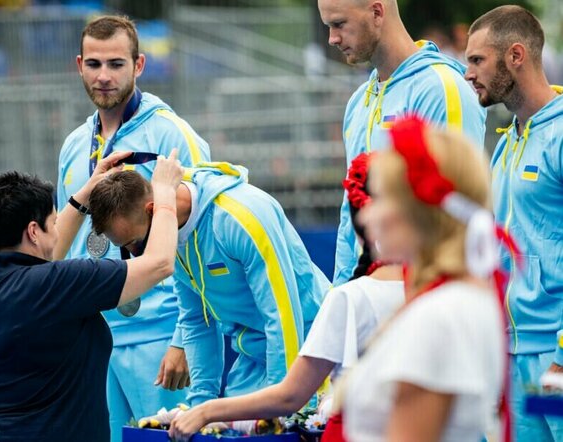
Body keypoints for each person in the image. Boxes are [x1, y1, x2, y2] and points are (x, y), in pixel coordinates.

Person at [166, 153, 404, 442]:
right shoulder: (443, 293)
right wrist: (202, 408)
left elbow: (290, 396)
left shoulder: (348, 300)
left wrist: (207, 411)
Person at [55, 15, 211, 441]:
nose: (104, 76)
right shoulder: (73, 145)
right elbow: (64, 245)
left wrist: (183, 339)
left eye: (116, 64)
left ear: (139, 65)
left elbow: (201, 236)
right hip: (95, 337)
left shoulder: (172, 134)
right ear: (79, 65)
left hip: (160, 332)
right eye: (94, 63)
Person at [0, 151, 184, 442]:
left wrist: (84, 194)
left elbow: (47, 254)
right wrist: (165, 193)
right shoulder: (57, 284)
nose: (57, 231)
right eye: (52, 224)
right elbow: (160, 263)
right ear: (33, 231)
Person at [88, 162, 330, 408]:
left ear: (154, 210)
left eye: (136, 244)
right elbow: (196, 318)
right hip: (254, 358)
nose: (137, 255)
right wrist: (199, 406)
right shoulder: (171, 232)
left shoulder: (239, 219)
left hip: (313, 352)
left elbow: (282, 316)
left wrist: (283, 406)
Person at [336, 116, 507, 441]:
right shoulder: (461, 297)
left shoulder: (439, 317)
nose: (368, 213)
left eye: (383, 198)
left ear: (421, 211)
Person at [317, 0, 487, 285]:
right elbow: (351, 214)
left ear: (376, 12)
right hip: (370, 299)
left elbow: (456, 217)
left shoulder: (441, 88)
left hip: (422, 300)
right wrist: (341, 292)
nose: (332, 38)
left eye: (339, 24)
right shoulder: (359, 101)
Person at [464, 6, 563, 440]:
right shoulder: (507, 143)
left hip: (554, 361)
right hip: (513, 360)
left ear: (516, 56)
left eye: (477, 60)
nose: (468, 73)